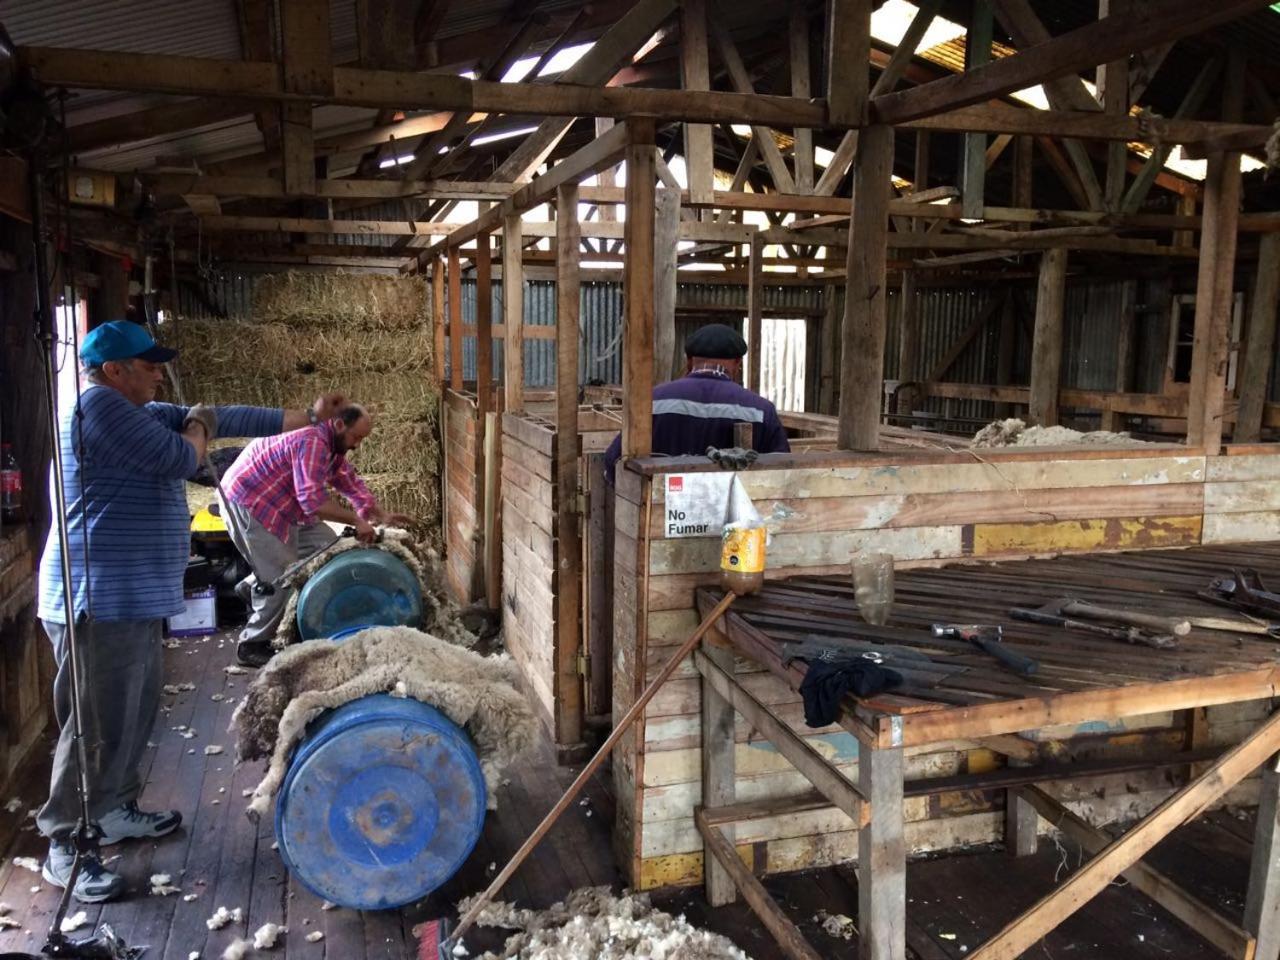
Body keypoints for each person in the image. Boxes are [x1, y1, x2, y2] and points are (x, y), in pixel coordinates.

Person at [35, 319, 345, 903]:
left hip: (129, 596)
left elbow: (222, 415)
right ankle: (65, 843)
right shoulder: (97, 409)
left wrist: (310, 416)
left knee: (132, 711)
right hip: (96, 598)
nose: (158, 373)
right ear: (113, 371)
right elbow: (185, 454)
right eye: (148, 365)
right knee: (94, 723)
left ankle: (114, 809)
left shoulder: (133, 409)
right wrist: (198, 423)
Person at [219, 403, 411, 667]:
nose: (357, 445)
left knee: (326, 546)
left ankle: (250, 588)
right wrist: (355, 520)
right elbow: (314, 503)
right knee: (283, 574)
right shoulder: (311, 439)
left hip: (284, 501)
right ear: (340, 425)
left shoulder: (331, 442)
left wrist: (378, 513)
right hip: (253, 501)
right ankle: (252, 643)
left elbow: (346, 478)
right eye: (357, 437)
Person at [604, 323, 790, 483]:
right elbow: (784, 472)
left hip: (662, 516)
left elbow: (615, 462)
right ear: (737, 363)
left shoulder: (652, 401)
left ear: (689, 360)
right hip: (735, 522)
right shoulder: (760, 409)